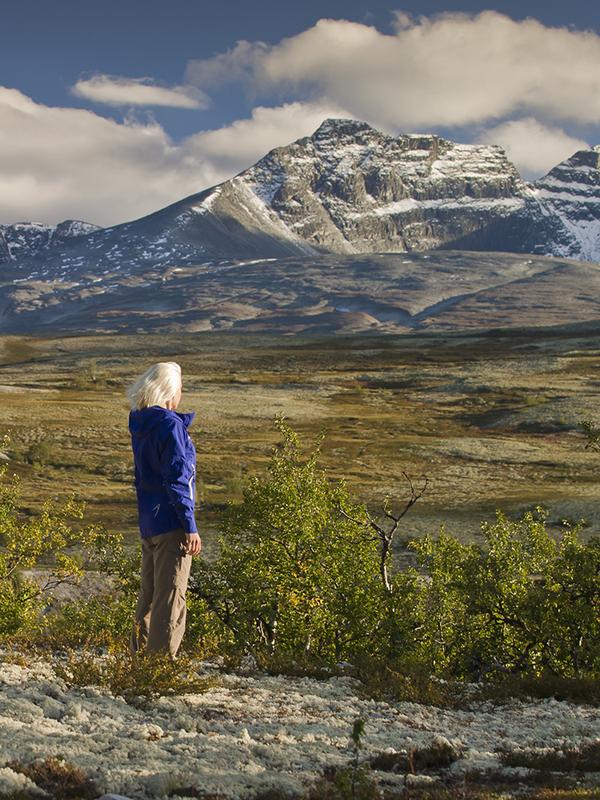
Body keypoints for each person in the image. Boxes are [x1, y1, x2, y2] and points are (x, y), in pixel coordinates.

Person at [126, 361, 201, 658]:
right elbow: (177, 479)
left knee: (149, 595)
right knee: (170, 597)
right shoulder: (170, 426)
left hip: (149, 521)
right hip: (171, 523)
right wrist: (190, 526)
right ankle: (159, 668)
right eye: (181, 388)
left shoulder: (141, 423)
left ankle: (137, 662)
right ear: (171, 391)